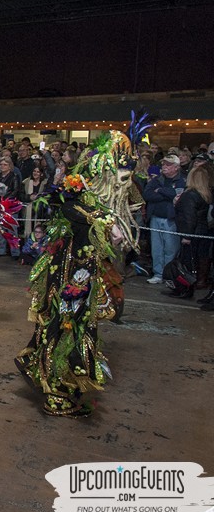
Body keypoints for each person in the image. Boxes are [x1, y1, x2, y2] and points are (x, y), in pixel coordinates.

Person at [16, 118, 147, 418]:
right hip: (69, 270)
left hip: (85, 267)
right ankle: (57, 392)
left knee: (78, 324)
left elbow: (131, 204)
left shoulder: (98, 191)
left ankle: (57, 379)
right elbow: (63, 203)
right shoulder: (79, 189)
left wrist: (110, 222)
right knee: (66, 325)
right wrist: (101, 219)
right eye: (120, 174)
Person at [143, 154, 186, 284]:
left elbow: (178, 195)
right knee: (157, 248)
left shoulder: (181, 180)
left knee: (170, 249)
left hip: (171, 219)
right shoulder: (157, 180)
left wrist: (160, 191)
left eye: (168, 165)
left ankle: (169, 275)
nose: (164, 167)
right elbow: (147, 194)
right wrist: (167, 194)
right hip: (155, 218)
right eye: (163, 164)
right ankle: (158, 274)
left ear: (176, 167)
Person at [170, 165, 212, 298]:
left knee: (186, 263)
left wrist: (186, 236)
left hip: (192, 233)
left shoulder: (190, 195)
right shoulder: (204, 195)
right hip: (201, 232)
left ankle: (185, 289)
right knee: (194, 262)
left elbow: (189, 217)